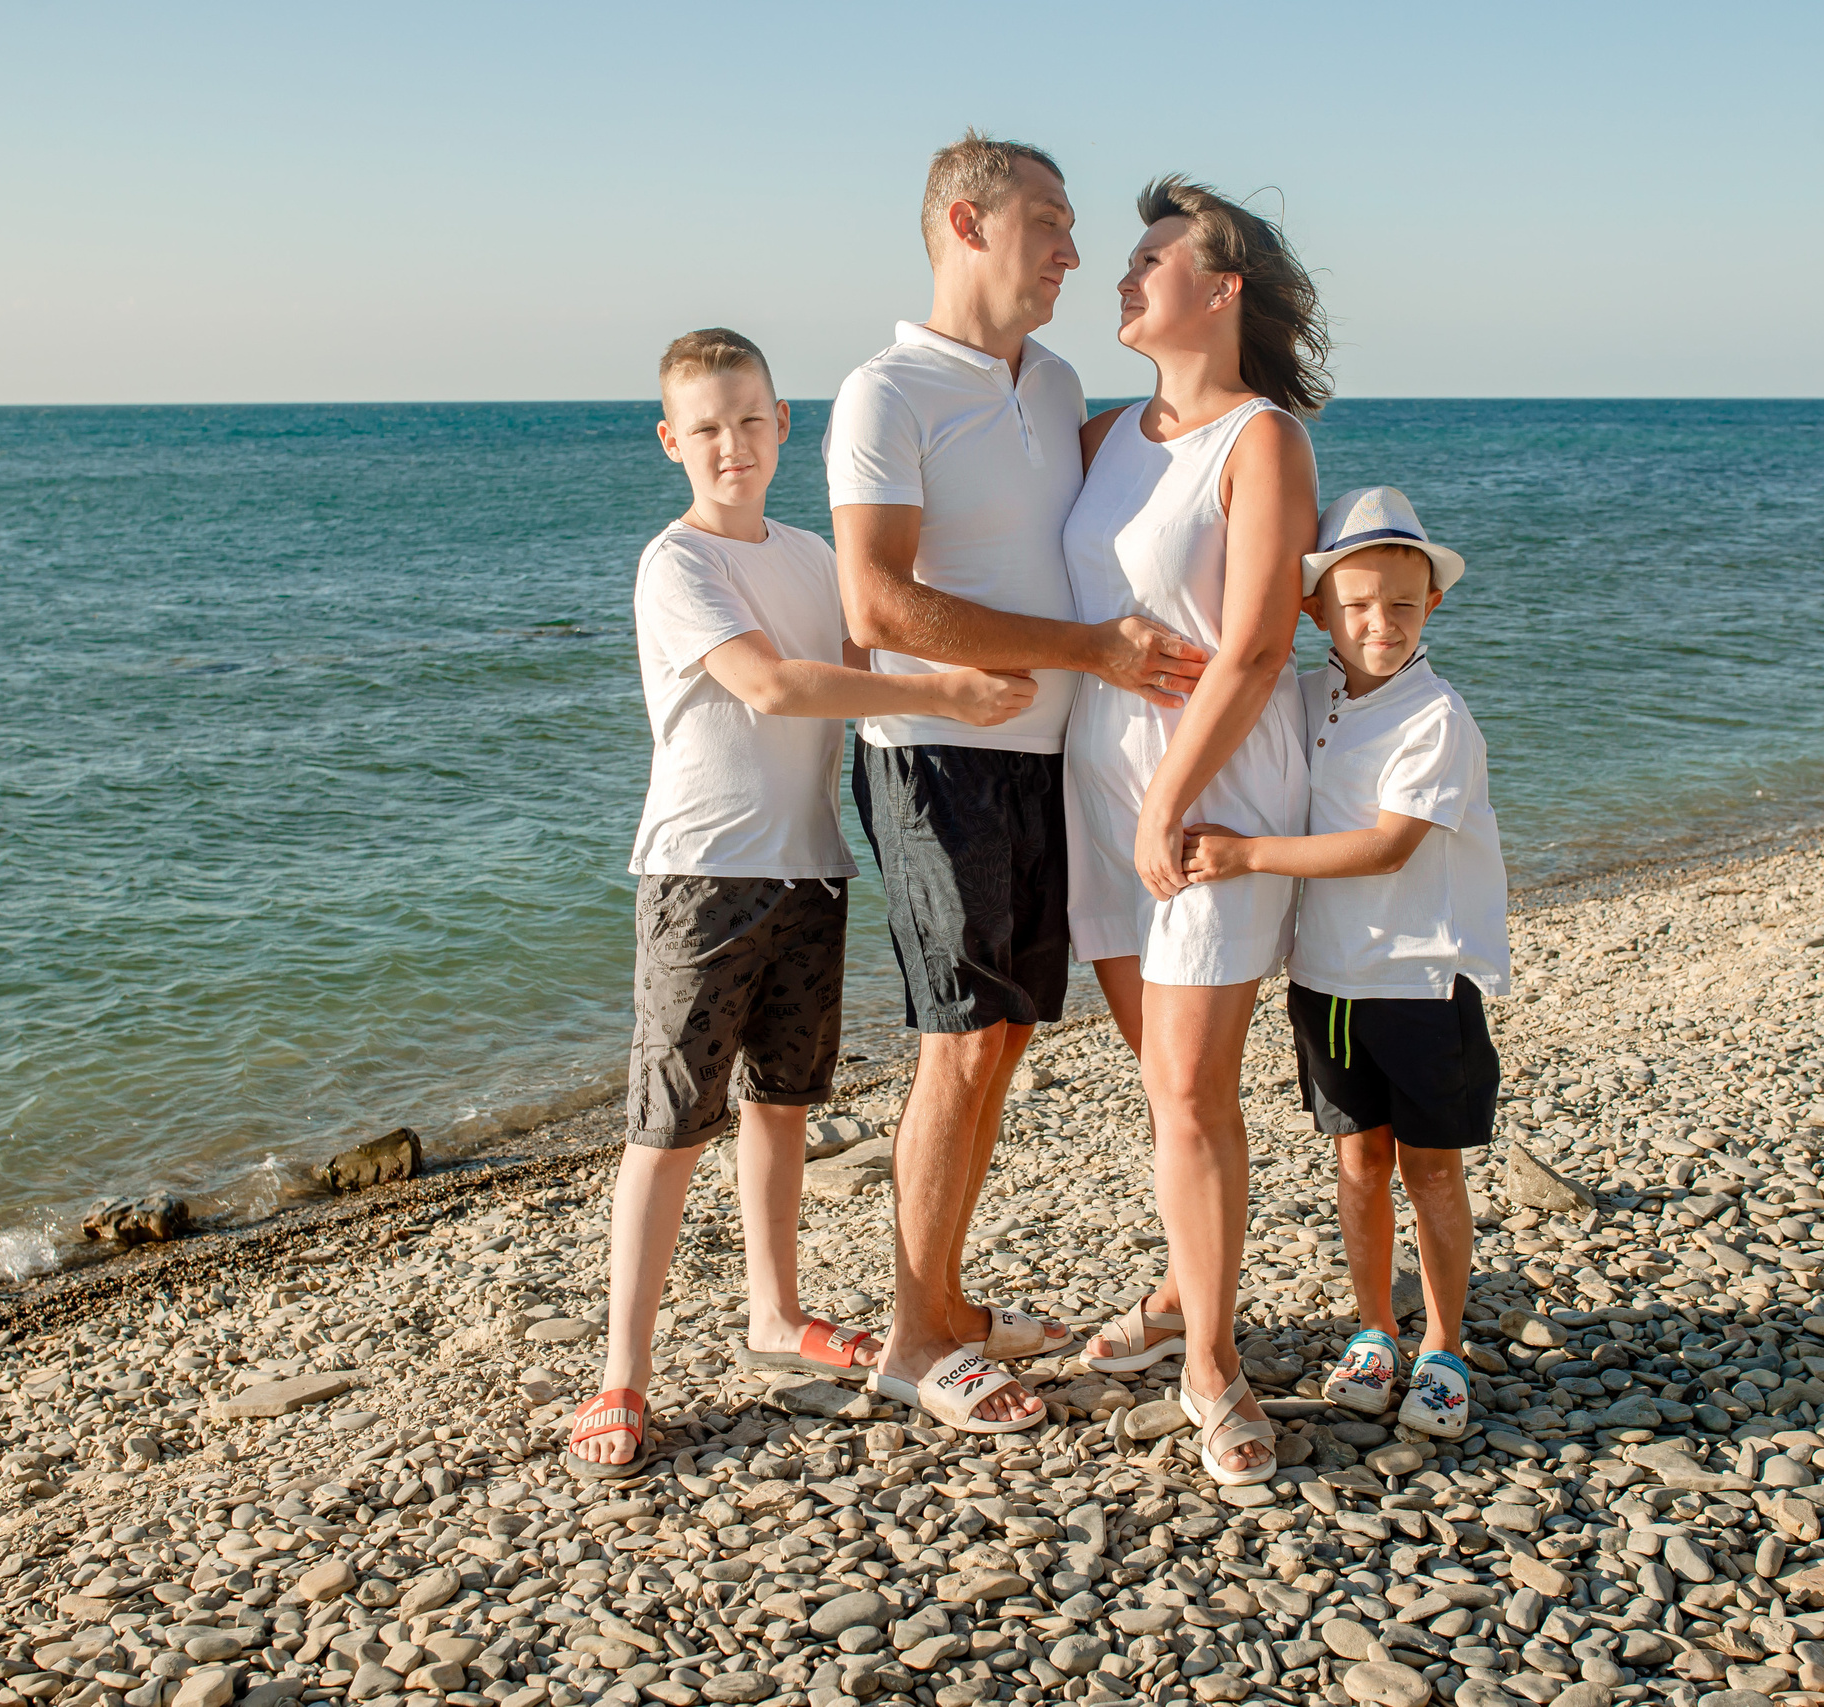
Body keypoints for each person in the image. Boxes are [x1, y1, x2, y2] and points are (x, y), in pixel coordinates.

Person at [565, 328, 1037, 1476]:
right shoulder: (675, 564)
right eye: (709, 427)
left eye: (752, 420)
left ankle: (774, 1317)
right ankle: (621, 1374)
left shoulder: (813, 555)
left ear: (784, 428)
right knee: (668, 1126)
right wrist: (946, 690)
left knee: (784, 1106)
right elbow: (774, 685)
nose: (733, 444)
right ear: (673, 441)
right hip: (702, 876)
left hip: (812, 868)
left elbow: (877, 631)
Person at [827, 133, 1214, 1435]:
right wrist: (1086, 649)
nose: (1073, 248)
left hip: (1046, 756)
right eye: (1048, 221)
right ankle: (912, 1334)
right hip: (934, 757)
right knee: (957, 1039)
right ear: (965, 223)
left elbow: (1158, 461)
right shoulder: (884, 393)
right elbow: (876, 599)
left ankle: (944, 1304)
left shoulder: (1053, 385)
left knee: (998, 1038)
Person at [1062, 177, 1325, 1487]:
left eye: (1151, 258)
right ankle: (1182, 1286)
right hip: (1096, 788)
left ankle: (1213, 1360)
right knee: (1161, 1079)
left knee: (1187, 1090)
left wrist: (1171, 800)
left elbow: (1264, 639)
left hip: (1210, 798)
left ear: (1220, 292)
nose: (1125, 275)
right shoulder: (1106, 432)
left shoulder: (1263, 441)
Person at [1180, 485, 1511, 1439]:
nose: (1380, 623)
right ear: (1316, 607)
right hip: (1326, 980)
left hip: (1418, 978)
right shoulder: (1309, 692)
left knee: (1432, 1171)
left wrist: (1243, 853)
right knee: (1359, 1163)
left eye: (1402, 605)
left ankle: (1442, 1344)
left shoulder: (1434, 716)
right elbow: (1228, 684)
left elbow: (1385, 846)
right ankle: (1374, 1329)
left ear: (1431, 608)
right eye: (1357, 604)